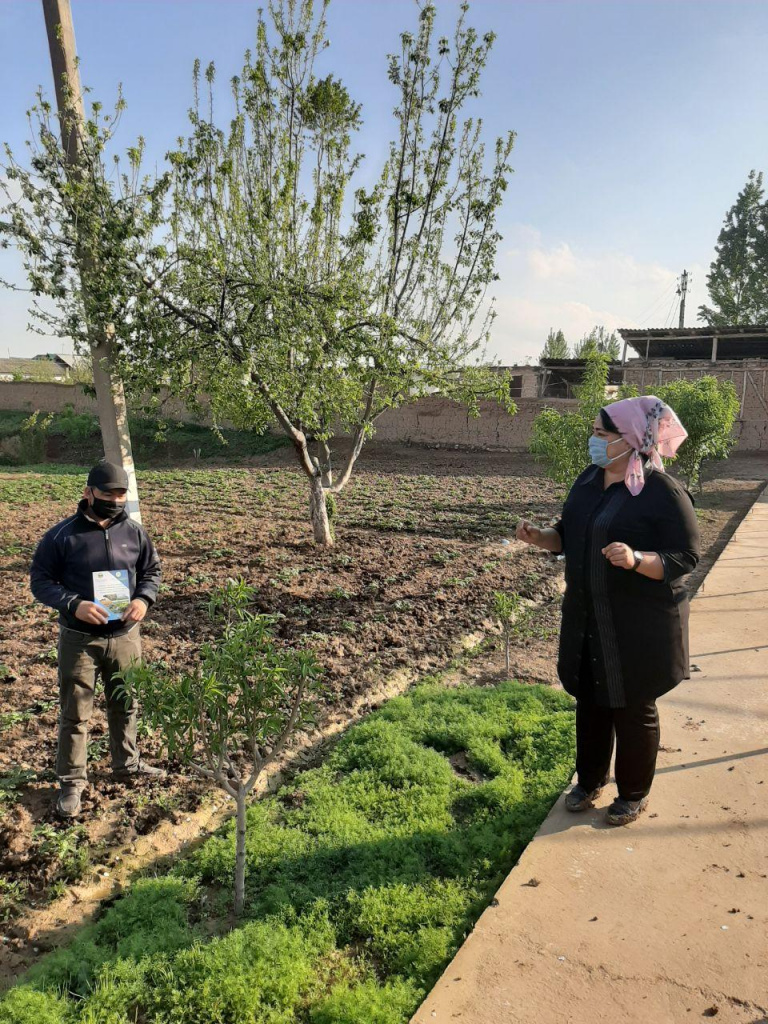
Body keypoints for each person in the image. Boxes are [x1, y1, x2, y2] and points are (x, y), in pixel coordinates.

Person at [516, 396, 700, 826]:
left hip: (638, 625)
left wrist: (637, 559)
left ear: (632, 439)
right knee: (591, 701)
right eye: (595, 434)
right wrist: (541, 537)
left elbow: (686, 556)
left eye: (603, 435)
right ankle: (590, 780)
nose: (593, 442)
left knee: (632, 706)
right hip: (587, 616)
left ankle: (633, 793)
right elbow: (569, 532)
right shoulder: (588, 480)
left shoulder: (660, 491)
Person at [30, 460, 164, 819]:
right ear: (89, 493)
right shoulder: (62, 536)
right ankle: (72, 782)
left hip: (125, 636)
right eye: (109, 494)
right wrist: (74, 604)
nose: (116, 501)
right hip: (80, 639)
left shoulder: (134, 533)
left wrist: (142, 599)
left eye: (122, 495)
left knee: (126, 702)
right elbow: (40, 581)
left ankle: (128, 764)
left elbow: (151, 570)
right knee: (76, 712)